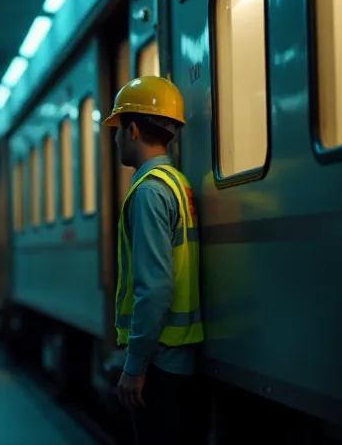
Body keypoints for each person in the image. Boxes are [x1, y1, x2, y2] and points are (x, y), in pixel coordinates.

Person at [102, 75, 203, 444]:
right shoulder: (177, 183)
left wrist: (134, 365)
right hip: (180, 355)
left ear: (131, 130)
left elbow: (155, 287)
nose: (114, 139)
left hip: (159, 362)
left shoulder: (148, 193)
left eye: (116, 130)